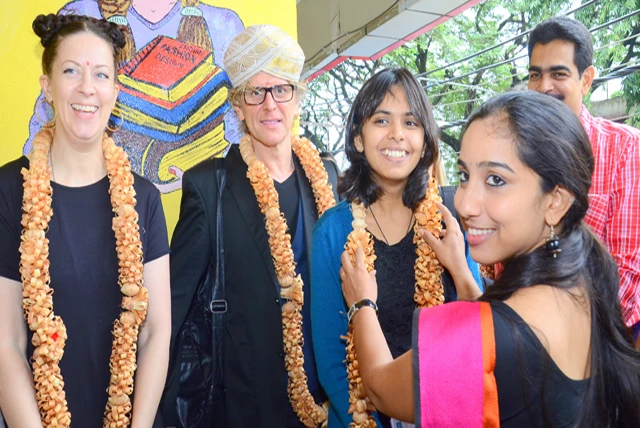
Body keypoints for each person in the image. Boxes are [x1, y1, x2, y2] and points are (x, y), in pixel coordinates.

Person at [340, 91, 640, 427]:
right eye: (466, 176)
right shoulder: (585, 282)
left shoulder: (479, 336)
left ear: (556, 201)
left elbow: (381, 388)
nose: (466, 204)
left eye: (496, 180)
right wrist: (460, 270)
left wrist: (361, 303)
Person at [0, 13, 170, 427]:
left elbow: (155, 333)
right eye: (71, 71)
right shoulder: (10, 189)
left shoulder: (143, 199)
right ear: (48, 87)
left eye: (100, 74)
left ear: (115, 89)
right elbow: (7, 340)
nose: (86, 88)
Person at [167, 25, 340, 427]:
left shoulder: (326, 178)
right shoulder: (208, 186)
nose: (269, 105)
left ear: (298, 99)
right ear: (237, 106)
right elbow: (174, 310)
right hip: (243, 403)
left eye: (281, 90)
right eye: (255, 92)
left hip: (326, 399)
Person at [310, 68, 482, 427]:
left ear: (424, 142)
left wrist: (459, 267)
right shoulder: (333, 231)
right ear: (358, 138)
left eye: (411, 123)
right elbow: (329, 360)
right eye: (381, 120)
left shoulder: (447, 224)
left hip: (445, 411)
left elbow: (479, 333)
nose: (397, 135)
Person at [25, 0, 245, 193]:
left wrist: (201, 177)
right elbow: (43, 126)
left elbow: (239, 135)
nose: (87, 87)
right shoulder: (82, 15)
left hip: (190, 212)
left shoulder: (223, 24)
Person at [527, 16, 640, 345]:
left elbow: (627, 277)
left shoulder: (624, 149)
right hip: (524, 345)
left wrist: (560, 339)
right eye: (536, 74)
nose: (544, 86)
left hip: (600, 349)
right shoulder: (517, 151)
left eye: (558, 74)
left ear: (586, 79)